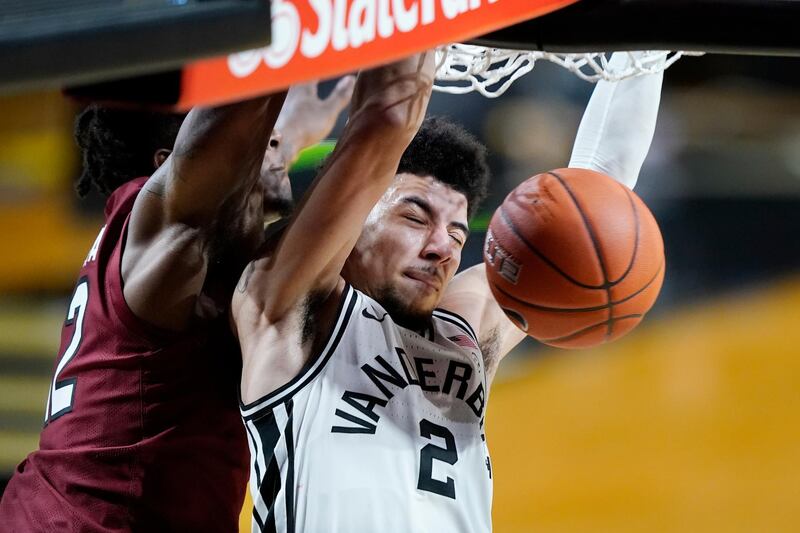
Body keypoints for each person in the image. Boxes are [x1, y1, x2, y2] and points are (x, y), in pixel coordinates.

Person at [232, 51, 664, 532]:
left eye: (458, 235)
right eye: (414, 218)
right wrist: (417, 27)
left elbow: (595, 196)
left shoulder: (463, 331)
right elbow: (382, 129)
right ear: (353, 223)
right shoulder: (293, 308)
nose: (441, 247)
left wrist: (642, 53)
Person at [0, 78, 354, 531]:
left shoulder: (152, 246)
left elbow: (234, 161)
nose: (276, 145)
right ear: (172, 167)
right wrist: (288, 38)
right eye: (262, 144)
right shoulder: (167, 233)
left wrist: (292, 124)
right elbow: (232, 115)